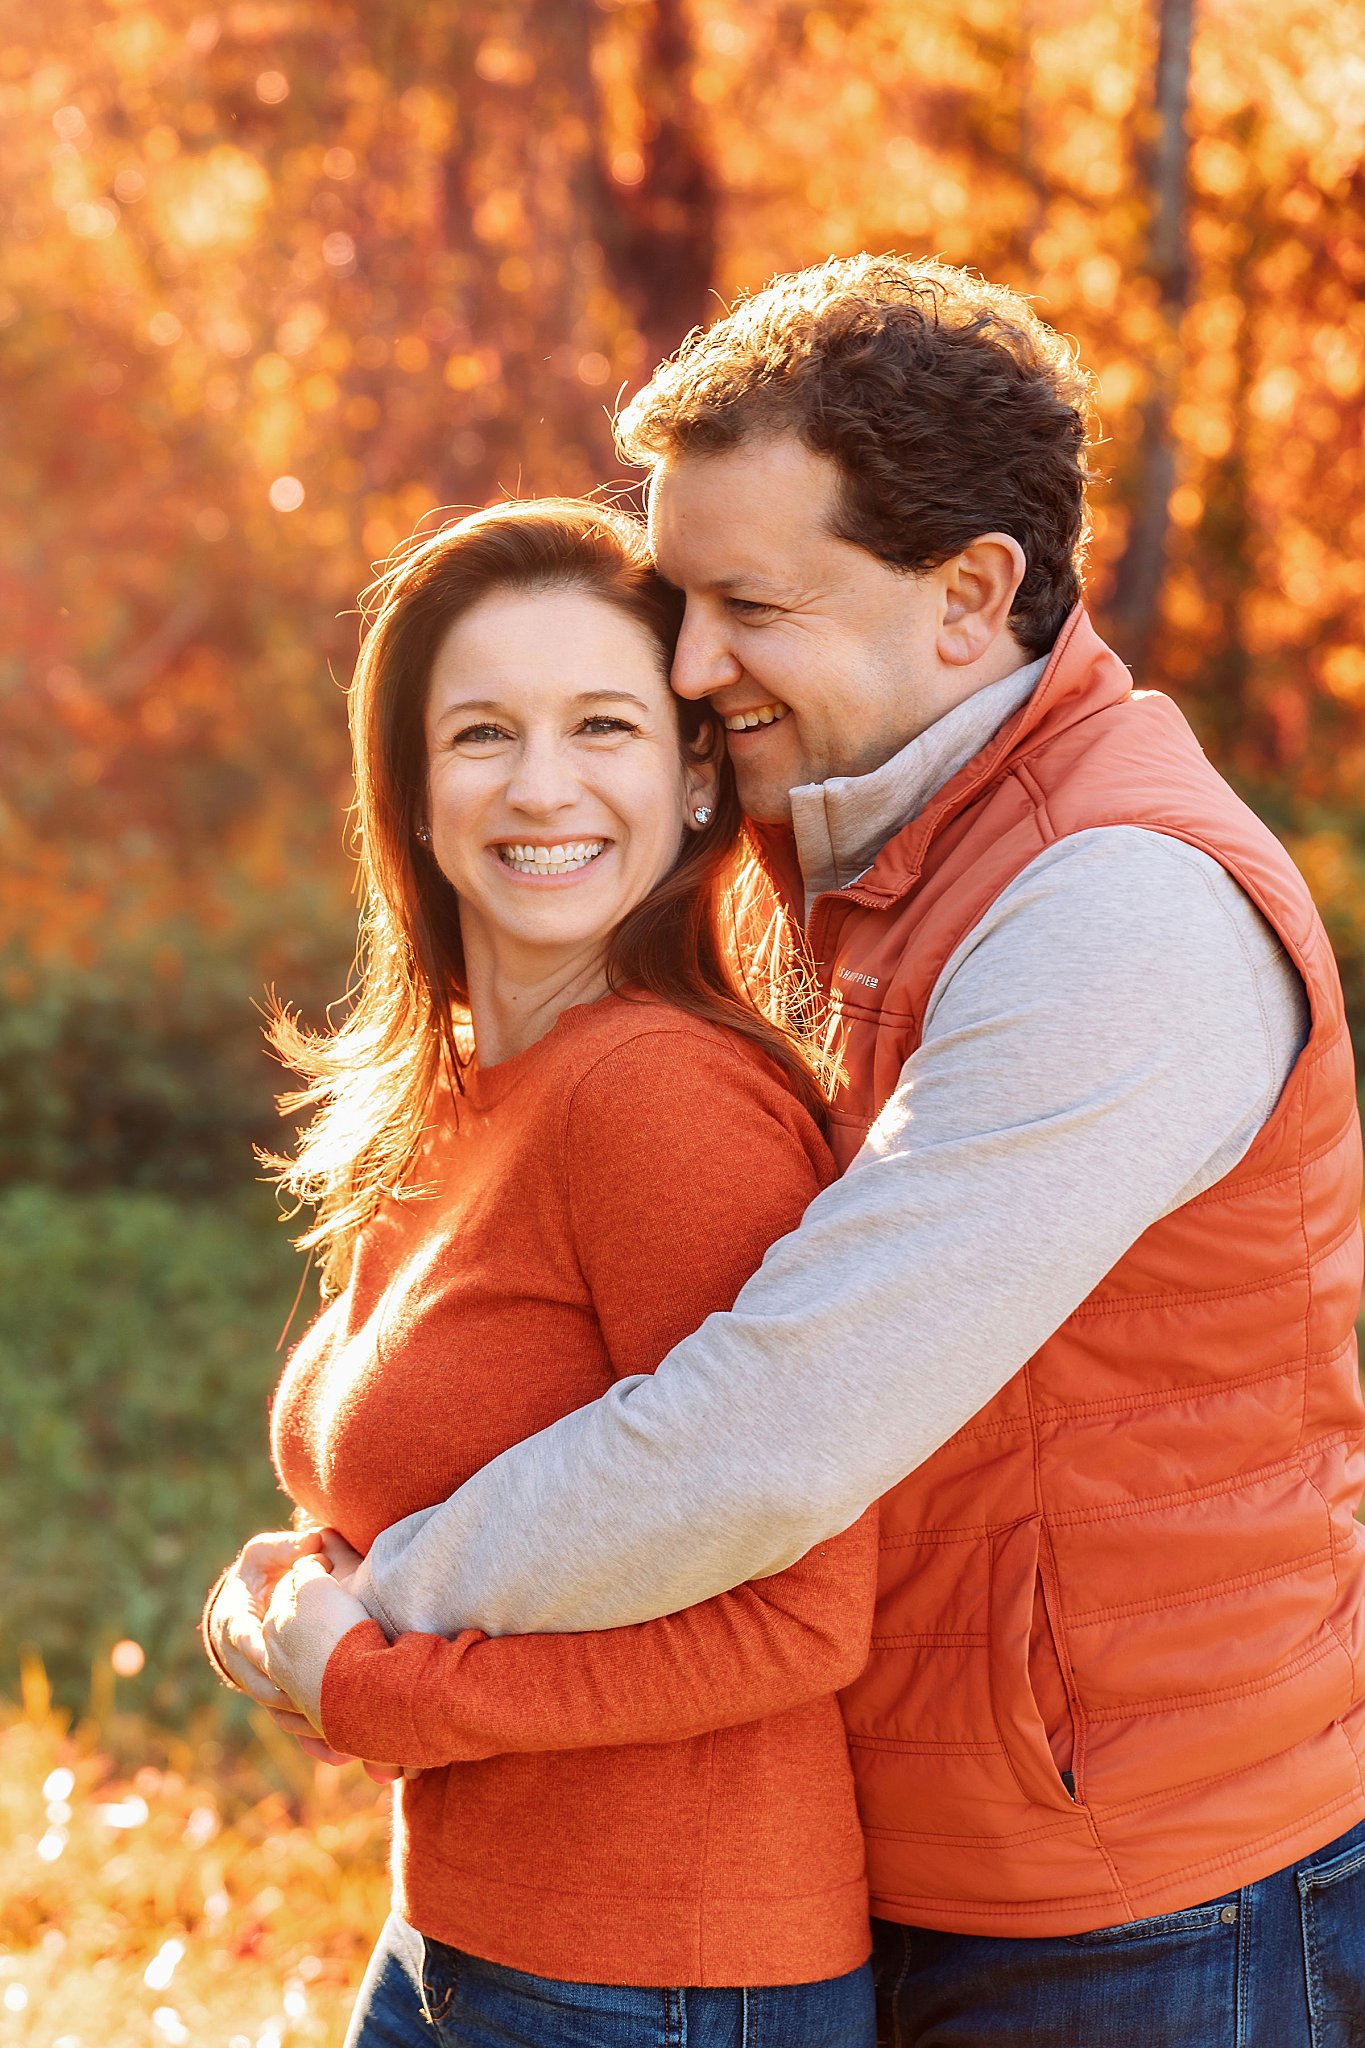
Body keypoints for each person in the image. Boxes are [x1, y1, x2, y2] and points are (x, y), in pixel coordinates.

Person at [239, 256, 1365, 2046]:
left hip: (1146, 1907)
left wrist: (374, 1613)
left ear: (967, 596)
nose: (689, 668)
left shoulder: (1118, 913)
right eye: (676, 600)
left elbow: (768, 1434)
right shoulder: (822, 859)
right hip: (884, 1860)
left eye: (743, 603)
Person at [202, 500, 880, 2047]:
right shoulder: (462, 1091)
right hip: (467, 1943)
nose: (543, 786)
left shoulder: (659, 1100)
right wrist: (300, 1587)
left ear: (695, 773)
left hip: (660, 1982)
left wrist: (380, 1691)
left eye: (603, 726)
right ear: (413, 787)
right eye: (484, 733)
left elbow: (803, 1617)